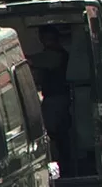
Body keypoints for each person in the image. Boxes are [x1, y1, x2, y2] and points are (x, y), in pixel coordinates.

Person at [31, 25, 74, 172]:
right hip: (55, 99)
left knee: (54, 135)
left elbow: (35, 61)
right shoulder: (55, 54)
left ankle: (64, 166)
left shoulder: (55, 55)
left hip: (57, 99)